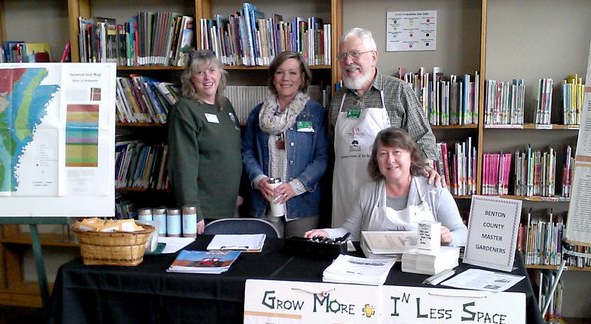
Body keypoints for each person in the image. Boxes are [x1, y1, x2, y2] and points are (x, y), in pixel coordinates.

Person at [330, 27, 441, 225]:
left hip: (388, 197)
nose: (348, 62)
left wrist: (426, 168)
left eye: (355, 54)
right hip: (345, 195)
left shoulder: (398, 90)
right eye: (343, 56)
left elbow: (423, 136)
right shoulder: (338, 99)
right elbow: (331, 148)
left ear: (373, 57)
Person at [305, 128, 466, 245]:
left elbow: (463, 233)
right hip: (376, 271)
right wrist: (325, 233)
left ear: (411, 155)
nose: (390, 160)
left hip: (421, 271)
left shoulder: (433, 189)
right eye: (383, 154)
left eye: (397, 152)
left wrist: (449, 238)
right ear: (376, 160)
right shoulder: (367, 192)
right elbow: (349, 232)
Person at [241, 51, 329, 237]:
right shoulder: (257, 114)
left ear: (302, 78)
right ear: (273, 77)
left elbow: (323, 157)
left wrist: (295, 186)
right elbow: (246, 152)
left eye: (292, 73)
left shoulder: (316, 113)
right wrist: (259, 179)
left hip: (302, 205)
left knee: (299, 261)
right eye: (280, 72)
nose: (285, 78)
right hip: (262, 203)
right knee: (264, 258)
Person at [167, 49, 242, 234]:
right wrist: (192, 210)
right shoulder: (185, 110)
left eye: (212, 70)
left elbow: (232, 153)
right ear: (190, 78)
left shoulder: (225, 106)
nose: (207, 77)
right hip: (205, 212)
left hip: (229, 207)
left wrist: (238, 194)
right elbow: (182, 164)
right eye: (200, 72)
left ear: (220, 74)